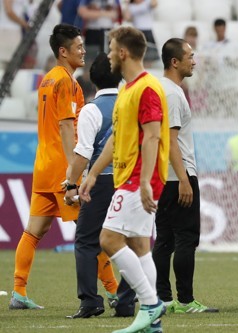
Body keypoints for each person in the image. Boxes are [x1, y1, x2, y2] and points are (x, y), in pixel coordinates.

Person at [79, 26, 168, 332]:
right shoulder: (127, 90)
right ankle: (152, 321)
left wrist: (144, 181)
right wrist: (91, 174)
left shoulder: (147, 88)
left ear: (123, 52)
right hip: (130, 175)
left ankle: (151, 304)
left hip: (139, 177)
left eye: (111, 46)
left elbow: (153, 136)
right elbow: (117, 137)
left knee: (108, 239)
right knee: (139, 245)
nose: (107, 54)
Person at [8, 23, 85, 310]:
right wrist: (73, 170)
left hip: (42, 165)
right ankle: (114, 291)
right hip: (61, 169)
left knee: (33, 231)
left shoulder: (47, 79)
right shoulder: (66, 81)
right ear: (63, 52)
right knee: (89, 230)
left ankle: (18, 292)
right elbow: (66, 126)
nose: (83, 51)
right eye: (78, 47)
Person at [152, 38, 218, 314]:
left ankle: (164, 298)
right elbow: (170, 139)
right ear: (174, 62)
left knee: (165, 238)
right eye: (190, 56)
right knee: (185, 239)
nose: (195, 60)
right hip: (177, 176)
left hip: (163, 177)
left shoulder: (162, 89)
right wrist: (183, 178)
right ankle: (186, 301)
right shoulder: (173, 94)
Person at [64, 52, 122, 319]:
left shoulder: (91, 109)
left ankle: (90, 301)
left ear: (91, 78)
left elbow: (84, 152)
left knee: (87, 242)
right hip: (129, 179)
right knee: (132, 242)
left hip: (100, 181)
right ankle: (126, 301)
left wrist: (70, 184)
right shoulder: (129, 103)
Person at [122, 0, 159, 67]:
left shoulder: (147, 2)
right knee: (137, 55)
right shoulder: (131, 5)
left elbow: (155, 4)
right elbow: (127, 17)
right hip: (137, 31)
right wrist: (127, 4)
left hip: (148, 30)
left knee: (149, 56)